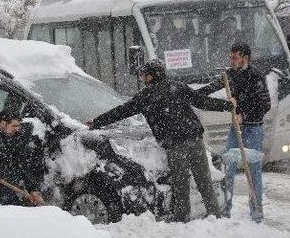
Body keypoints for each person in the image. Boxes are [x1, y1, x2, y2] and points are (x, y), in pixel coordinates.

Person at [85, 60, 235, 222]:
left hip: (175, 145)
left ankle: (182, 219)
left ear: (152, 76)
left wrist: (96, 122)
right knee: (204, 180)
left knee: (181, 185)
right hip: (195, 139)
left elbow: (121, 112)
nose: (142, 78)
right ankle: (215, 215)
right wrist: (227, 106)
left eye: (145, 75)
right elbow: (201, 101)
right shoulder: (177, 87)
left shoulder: (146, 95)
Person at [197, 42, 271, 222]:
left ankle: (256, 211)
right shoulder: (230, 75)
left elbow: (265, 104)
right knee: (228, 167)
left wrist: (243, 115)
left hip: (253, 128)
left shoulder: (256, 76)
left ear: (245, 57)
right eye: (230, 56)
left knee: (253, 170)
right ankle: (226, 207)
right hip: (235, 129)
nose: (231, 60)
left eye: (234, 56)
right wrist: (190, 95)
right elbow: (211, 87)